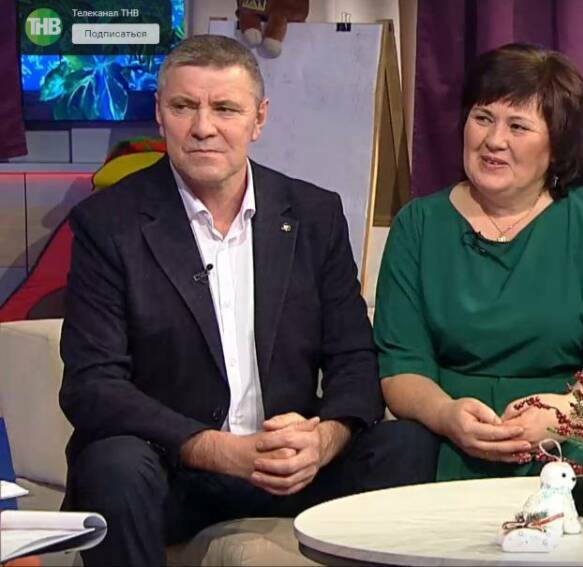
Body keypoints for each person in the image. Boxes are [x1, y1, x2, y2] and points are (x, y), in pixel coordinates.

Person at [59, 35, 437, 566]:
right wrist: (214, 448)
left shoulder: (314, 214)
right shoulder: (109, 224)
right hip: (174, 470)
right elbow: (93, 386)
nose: (203, 127)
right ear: (159, 113)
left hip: (290, 469)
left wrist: (323, 440)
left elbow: (354, 358)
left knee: (408, 445)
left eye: (225, 109)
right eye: (184, 106)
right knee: (112, 465)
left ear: (258, 119)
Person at [375, 43, 583, 481]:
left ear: (557, 146)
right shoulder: (418, 225)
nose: (494, 140)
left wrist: (565, 413)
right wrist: (446, 414)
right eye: (483, 118)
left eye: (518, 126)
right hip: (442, 444)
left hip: (566, 447)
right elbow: (401, 369)